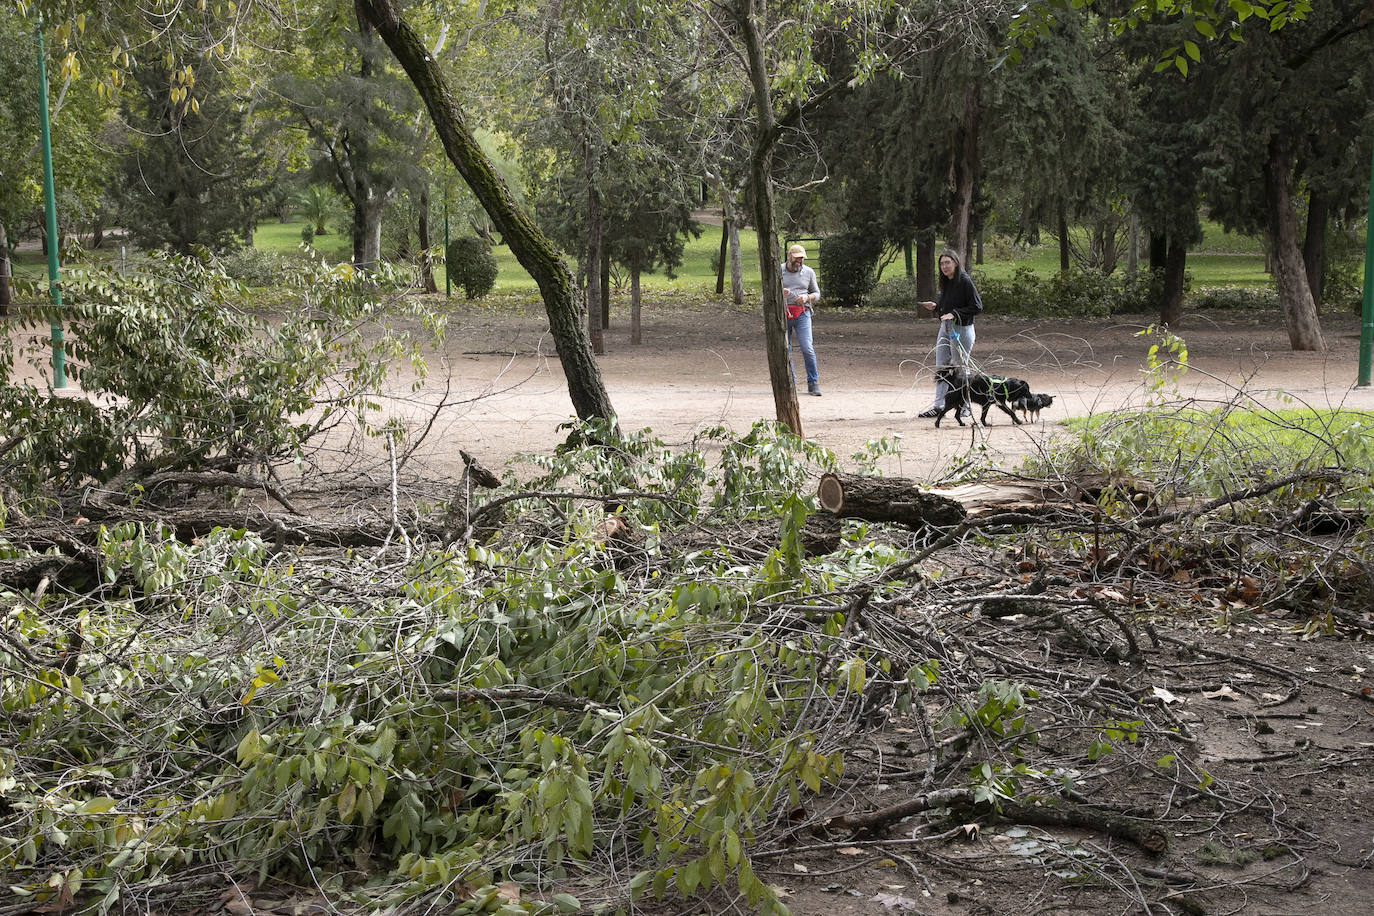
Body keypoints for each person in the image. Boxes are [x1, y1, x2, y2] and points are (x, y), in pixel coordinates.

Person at [917, 249, 982, 418]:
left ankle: (966, 407)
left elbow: (976, 307)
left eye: (947, 263)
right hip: (945, 328)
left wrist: (955, 314)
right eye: (941, 264)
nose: (944, 267)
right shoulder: (946, 281)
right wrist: (937, 306)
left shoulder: (965, 281)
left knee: (960, 369)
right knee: (942, 367)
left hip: (962, 330)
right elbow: (949, 304)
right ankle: (939, 406)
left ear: (955, 263)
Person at [781, 243, 822, 396]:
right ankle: (790, 382)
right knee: (786, 349)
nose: (799, 261)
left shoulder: (809, 272)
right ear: (789, 256)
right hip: (783, 313)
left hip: (803, 313)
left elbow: (817, 294)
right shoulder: (779, 270)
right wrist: (780, 293)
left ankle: (813, 383)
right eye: (797, 258)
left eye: (802, 259)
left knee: (807, 348)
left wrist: (806, 297)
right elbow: (767, 293)